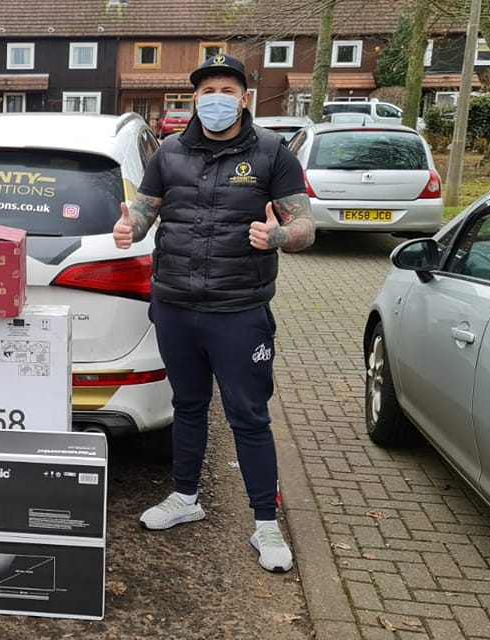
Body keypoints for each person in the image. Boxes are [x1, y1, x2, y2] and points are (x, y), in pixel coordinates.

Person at [112, 53, 315, 573]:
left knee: (249, 416)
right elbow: (146, 210)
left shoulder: (272, 153)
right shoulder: (170, 151)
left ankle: (265, 524)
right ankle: (185, 497)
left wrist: (279, 235)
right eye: (207, 91)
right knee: (188, 405)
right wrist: (130, 227)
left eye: (227, 90)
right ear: (195, 98)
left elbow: (305, 227)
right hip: (175, 306)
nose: (216, 99)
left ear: (243, 98)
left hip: (239, 310)